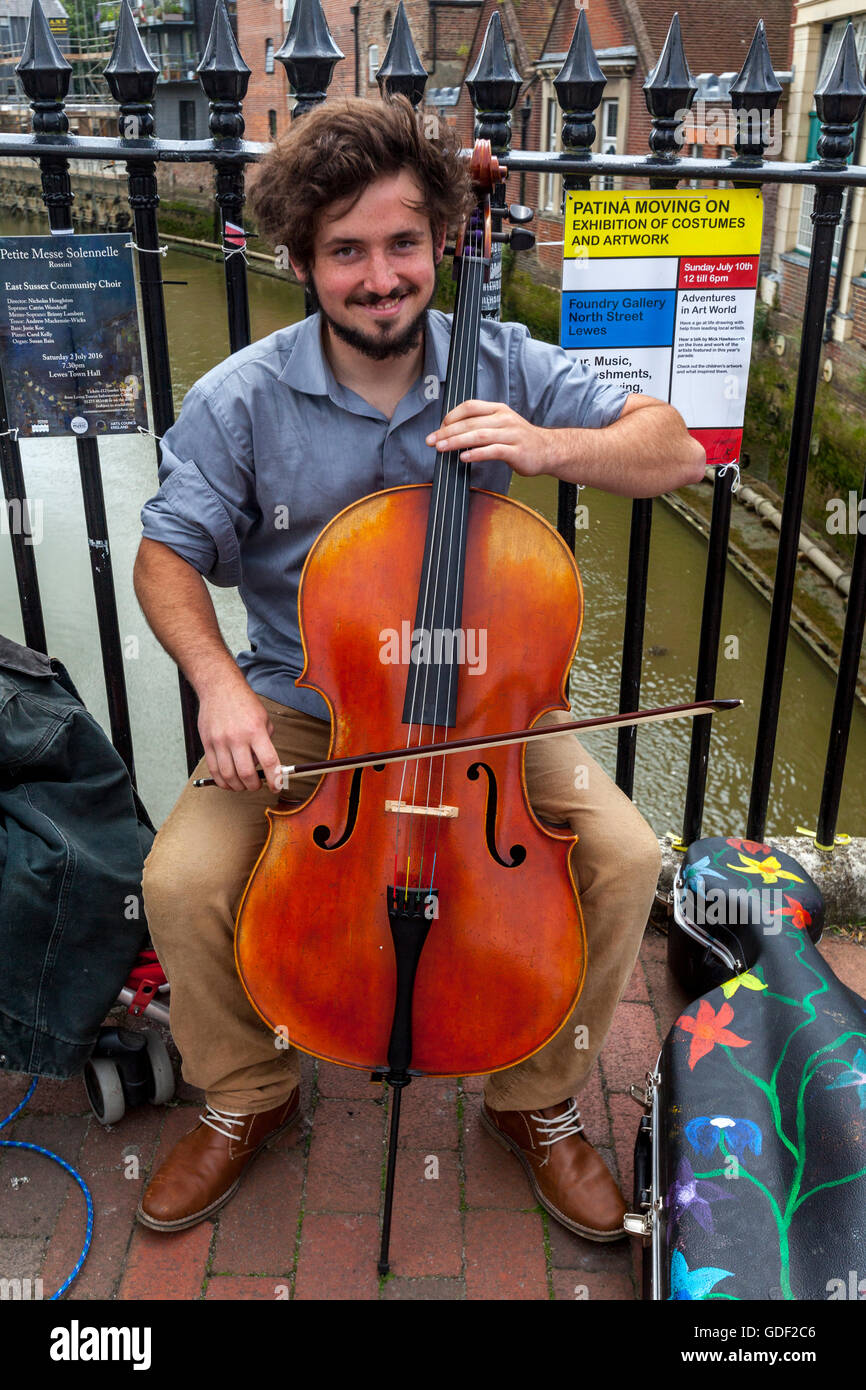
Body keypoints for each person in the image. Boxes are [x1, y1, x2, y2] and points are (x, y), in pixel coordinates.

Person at [133, 97, 705, 1242]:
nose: (379, 276)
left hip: (486, 716)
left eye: (400, 243)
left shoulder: (495, 357)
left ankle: (533, 1098)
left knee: (626, 854)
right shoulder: (239, 398)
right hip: (312, 715)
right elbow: (163, 560)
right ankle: (248, 1092)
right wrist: (218, 683)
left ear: (442, 243)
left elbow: (674, 449)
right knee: (181, 883)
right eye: (345, 250)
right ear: (303, 260)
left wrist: (549, 445)